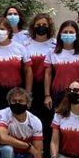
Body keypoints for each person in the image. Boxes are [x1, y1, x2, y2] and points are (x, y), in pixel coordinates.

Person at [0, 17, 32, 114]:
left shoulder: (20, 48)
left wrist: (27, 92)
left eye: (2, 29)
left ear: (9, 30)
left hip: (17, 92)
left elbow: (28, 71)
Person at [44, 20, 79, 109]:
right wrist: (47, 95)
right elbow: (48, 74)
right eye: (65, 32)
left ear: (76, 35)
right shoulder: (52, 52)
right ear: (60, 34)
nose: (68, 34)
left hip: (78, 93)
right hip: (58, 93)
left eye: (71, 32)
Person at [25, 13, 56, 149]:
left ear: (49, 27)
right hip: (31, 87)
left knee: (49, 120)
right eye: (38, 25)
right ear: (33, 27)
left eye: (44, 25)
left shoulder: (55, 44)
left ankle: (47, 152)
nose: (41, 27)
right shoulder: (26, 44)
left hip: (49, 88)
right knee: (32, 119)